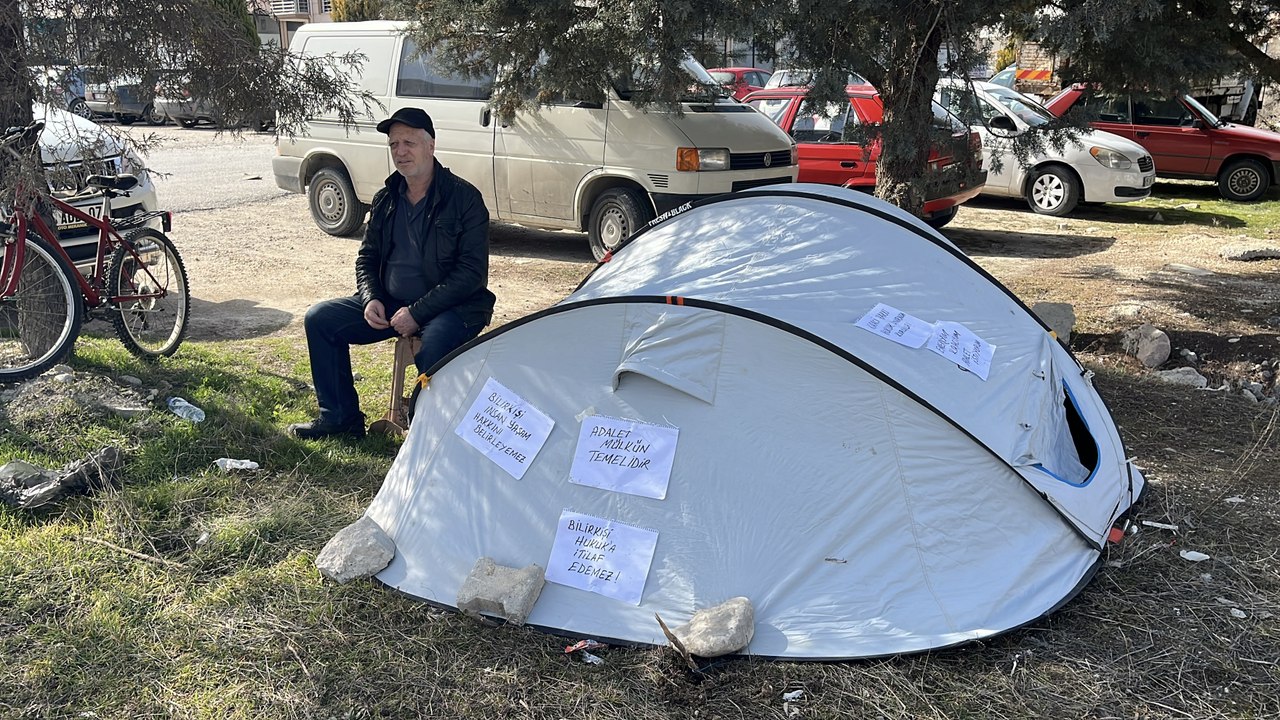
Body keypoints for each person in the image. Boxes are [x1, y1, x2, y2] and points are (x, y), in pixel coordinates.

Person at [288, 107, 495, 439]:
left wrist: (418, 312)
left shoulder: (464, 199)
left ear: (431, 145)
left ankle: (430, 432)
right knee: (320, 318)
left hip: (454, 306)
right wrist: (370, 298)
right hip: (392, 301)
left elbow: (471, 274)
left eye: (409, 142)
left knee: (435, 346)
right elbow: (367, 259)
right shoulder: (386, 199)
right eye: (394, 144)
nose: (401, 151)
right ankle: (340, 419)